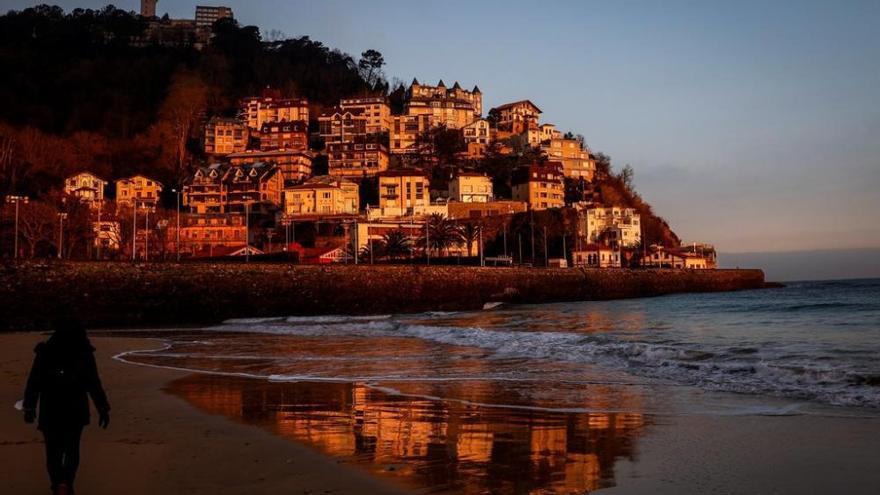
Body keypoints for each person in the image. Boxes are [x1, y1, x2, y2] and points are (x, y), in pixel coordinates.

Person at [23, 319, 110, 495]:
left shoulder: (45, 352)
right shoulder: (83, 353)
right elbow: (93, 382)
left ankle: (58, 484)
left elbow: (34, 381)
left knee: (53, 449)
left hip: (51, 407)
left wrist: (29, 406)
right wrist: (102, 407)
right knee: (71, 448)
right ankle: (66, 483)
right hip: (75, 408)